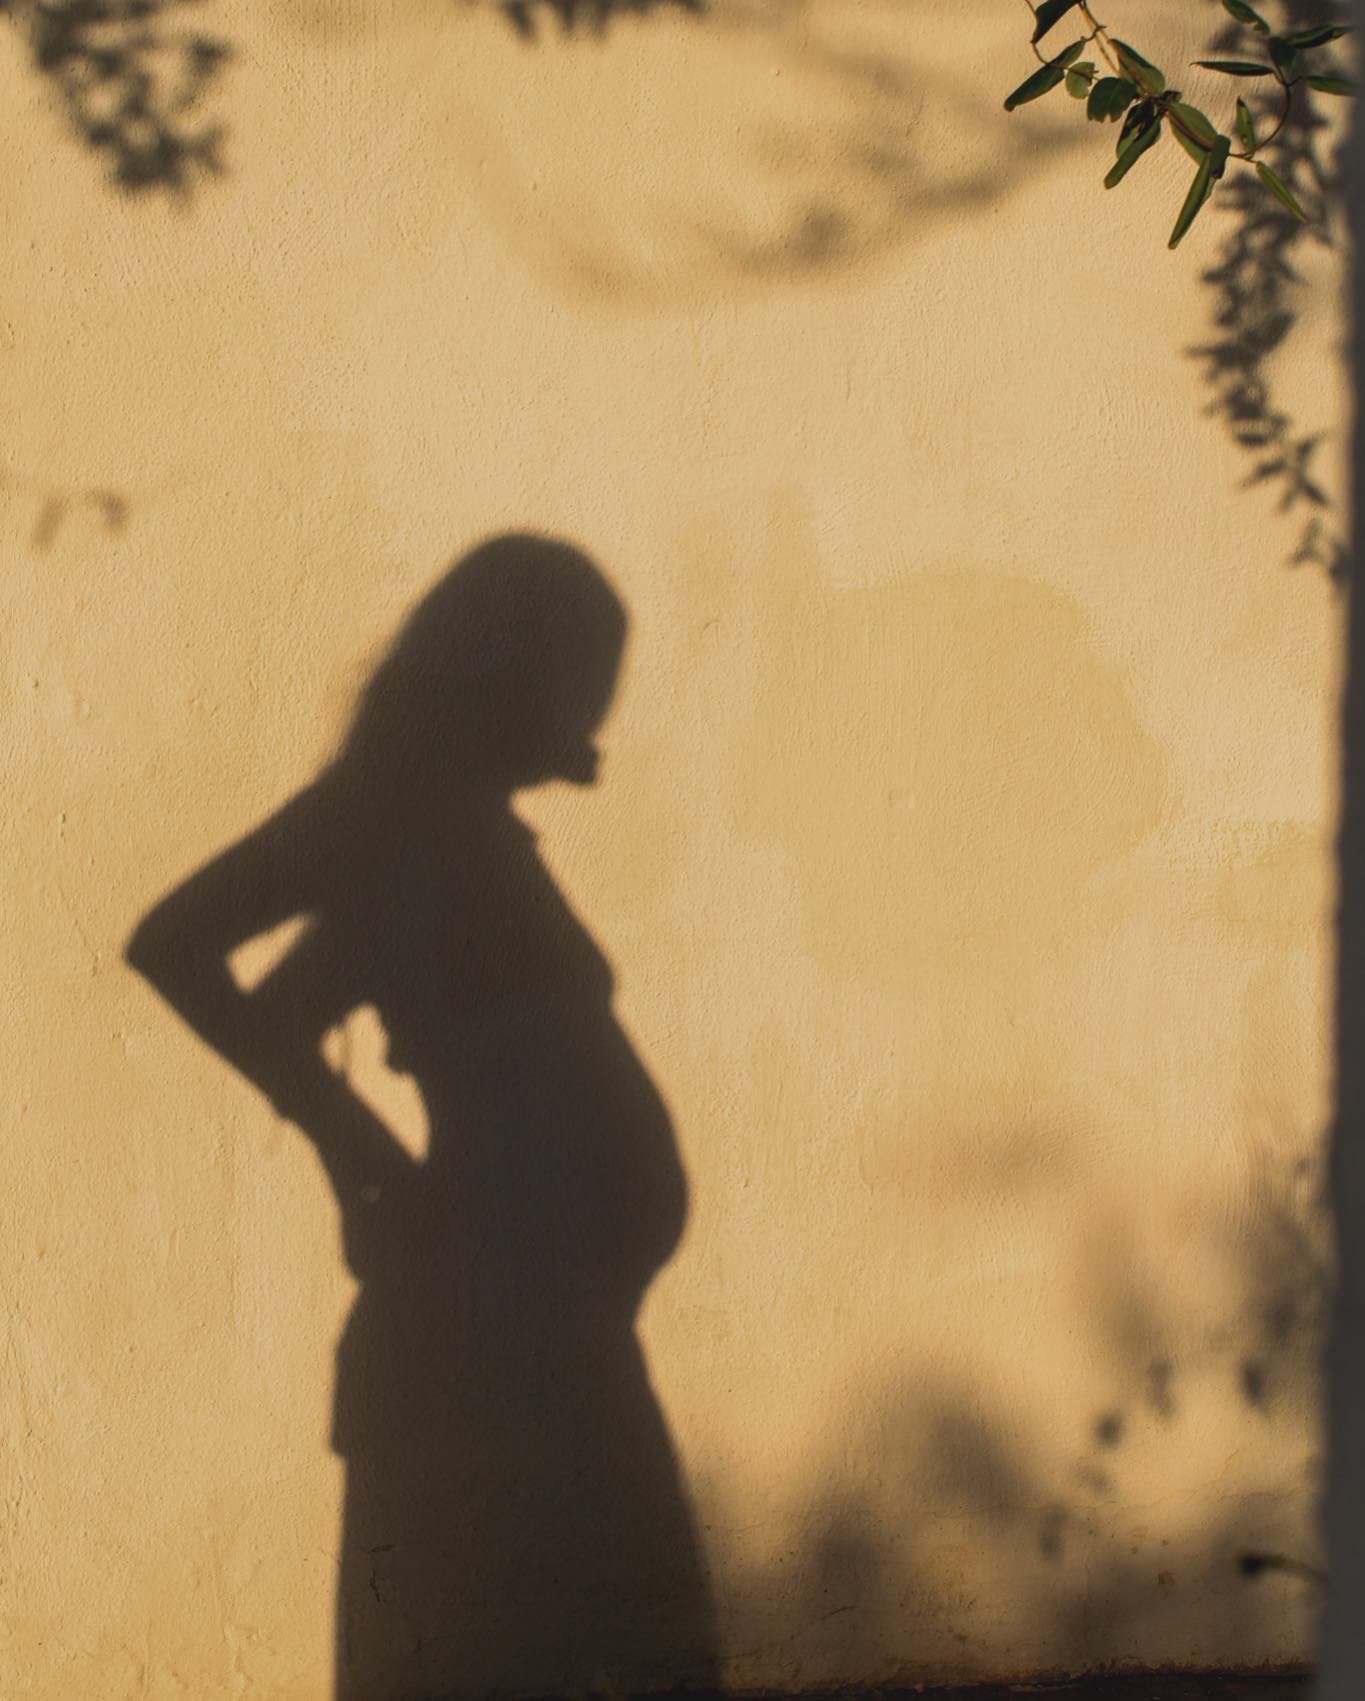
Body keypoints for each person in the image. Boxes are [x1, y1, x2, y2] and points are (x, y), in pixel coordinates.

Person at [125, 534, 716, 1699]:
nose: (596, 710)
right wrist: (353, 1146)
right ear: (511, 669)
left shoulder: (449, 834)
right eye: (584, 673)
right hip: (492, 1330)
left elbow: (290, 1005)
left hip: (551, 1327)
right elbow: (177, 943)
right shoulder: (394, 817)